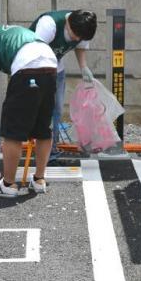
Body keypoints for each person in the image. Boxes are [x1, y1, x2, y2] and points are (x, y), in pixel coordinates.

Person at [0, 25, 57, 198]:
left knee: (12, 132)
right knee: (42, 129)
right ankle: (39, 180)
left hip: (27, 68)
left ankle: (8, 184)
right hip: (50, 66)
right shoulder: (7, 34)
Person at [29, 9, 97, 165]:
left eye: (81, 37)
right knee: (39, 111)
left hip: (57, 70)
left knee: (56, 111)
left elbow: (80, 46)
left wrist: (83, 67)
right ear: (68, 24)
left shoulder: (82, 28)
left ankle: (51, 152)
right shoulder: (49, 24)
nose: (78, 39)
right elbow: (35, 52)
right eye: (76, 35)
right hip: (34, 68)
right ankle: (36, 149)